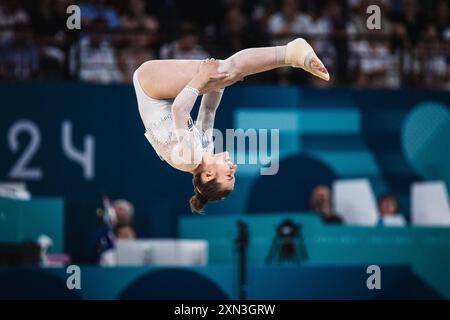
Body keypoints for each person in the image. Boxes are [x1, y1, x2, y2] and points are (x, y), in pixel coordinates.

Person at [133, 39, 329, 213]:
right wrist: (221, 84)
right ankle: (290, 55)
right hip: (162, 94)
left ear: (209, 175)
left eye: (228, 175)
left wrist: (202, 78)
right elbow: (208, 110)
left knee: (225, 70)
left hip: (149, 86)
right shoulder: (204, 151)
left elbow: (179, 111)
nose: (233, 167)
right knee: (227, 73)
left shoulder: (190, 158)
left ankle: (291, 53)